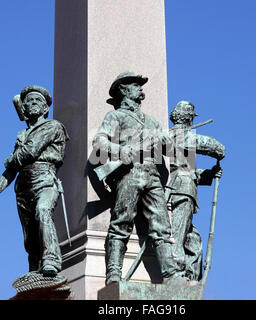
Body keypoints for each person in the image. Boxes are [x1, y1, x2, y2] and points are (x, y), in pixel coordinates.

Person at [93, 71, 183, 285]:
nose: (141, 89)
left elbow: (172, 152)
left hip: (152, 174)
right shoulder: (116, 117)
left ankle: (170, 274)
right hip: (128, 172)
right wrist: (122, 151)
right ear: (124, 90)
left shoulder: (151, 121)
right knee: (121, 220)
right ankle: (113, 273)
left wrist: (166, 142)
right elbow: (99, 143)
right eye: (136, 85)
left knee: (161, 224)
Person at [0, 85, 69, 277]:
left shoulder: (52, 126)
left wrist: (11, 159)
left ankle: (51, 259)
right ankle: (34, 269)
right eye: (29, 101)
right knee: (30, 236)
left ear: (45, 108)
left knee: (43, 211)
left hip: (45, 178)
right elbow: (11, 171)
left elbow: (30, 152)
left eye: (38, 101)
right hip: (23, 187)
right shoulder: (22, 135)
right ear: (24, 108)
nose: (33, 103)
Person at [167, 100, 225, 281]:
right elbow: (213, 146)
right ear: (187, 117)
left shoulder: (182, 138)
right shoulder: (176, 135)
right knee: (177, 236)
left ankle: (190, 277)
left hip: (186, 190)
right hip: (180, 192)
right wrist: (219, 151)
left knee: (193, 240)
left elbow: (188, 171)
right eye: (191, 116)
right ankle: (175, 274)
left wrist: (209, 174)